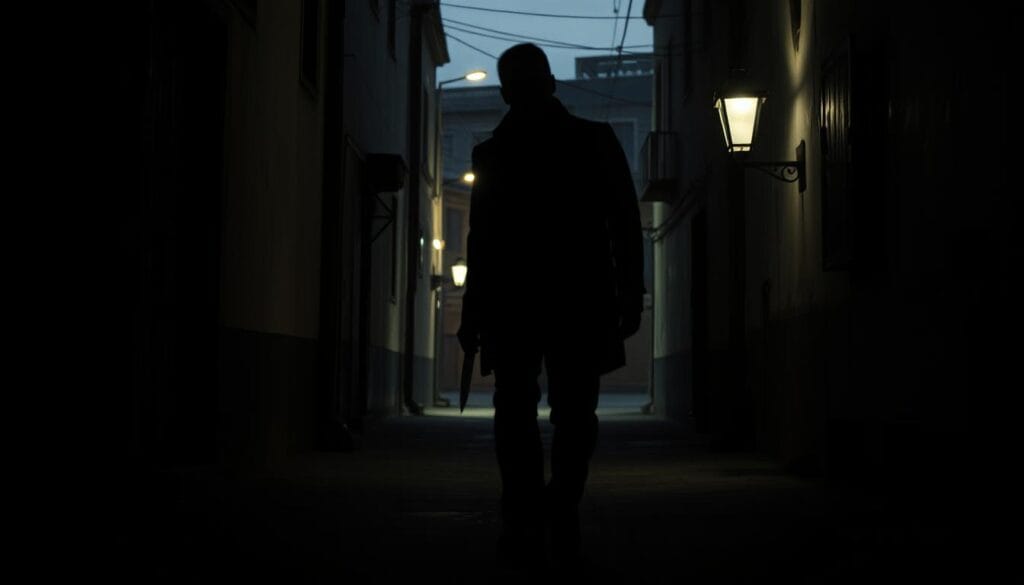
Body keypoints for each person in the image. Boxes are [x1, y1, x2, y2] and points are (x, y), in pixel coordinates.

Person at [457, 43, 644, 566]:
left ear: (506, 91)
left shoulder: (492, 154)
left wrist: (474, 312)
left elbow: (482, 240)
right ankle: (558, 502)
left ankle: (526, 509)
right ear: (552, 84)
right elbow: (625, 225)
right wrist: (630, 293)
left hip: (514, 303)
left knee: (516, 411)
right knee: (573, 413)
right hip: (580, 299)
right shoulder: (594, 142)